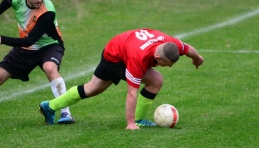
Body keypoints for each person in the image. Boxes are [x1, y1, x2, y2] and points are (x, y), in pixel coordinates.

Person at [39, 28, 204, 129]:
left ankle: (49, 106)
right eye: (166, 64)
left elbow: (188, 48)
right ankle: (136, 121)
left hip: (122, 46)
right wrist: (130, 123)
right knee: (92, 89)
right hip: (115, 58)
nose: (168, 67)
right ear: (157, 56)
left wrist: (196, 58)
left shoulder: (170, 43)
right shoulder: (138, 59)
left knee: (92, 88)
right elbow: (132, 92)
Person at [0, 0, 75, 124]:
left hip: (50, 45)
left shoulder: (48, 11)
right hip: (25, 49)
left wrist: (2, 39)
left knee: (49, 67)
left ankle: (66, 114)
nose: (39, 0)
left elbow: (30, 40)